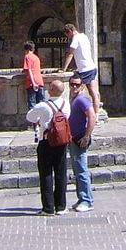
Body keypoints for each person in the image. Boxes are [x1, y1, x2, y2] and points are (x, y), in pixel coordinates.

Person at [26, 79, 71, 215]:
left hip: (46, 142)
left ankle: (48, 207)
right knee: (61, 173)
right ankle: (61, 206)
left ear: (51, 90)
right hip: (61, 142)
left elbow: (30, 117)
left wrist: (42, 119)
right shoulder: (66, 104)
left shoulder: (43, 105)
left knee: (46, 174)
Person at [67, 74, 96, 212]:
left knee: (82, 170)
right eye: (72, 84)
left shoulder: (82, 100)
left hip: (80, 138)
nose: (74, 87)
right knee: (78, 170)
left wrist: (86, 136)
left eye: (77, 85)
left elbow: (92, 116)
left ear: (82, 86)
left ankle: (87, 201)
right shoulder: (74, 99)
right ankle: (82, 198)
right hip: (74, 138)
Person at [62, 22, 102, 115]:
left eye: (67, 35)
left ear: (71, 31)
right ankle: (96, 114)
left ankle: (83, 112)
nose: (68, 37)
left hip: (85, 69)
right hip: (91, 67)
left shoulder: (75, 38)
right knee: (94, 92)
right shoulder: (84, 36)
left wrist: (64, 68)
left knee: (77, 91)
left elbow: (70, 54)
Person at [23, 41, 45, 111]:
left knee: (32, 105)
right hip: (40, 81)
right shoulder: (36, 57)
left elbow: (29, 70)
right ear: (33, 49)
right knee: (41, 103)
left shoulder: (27, 57)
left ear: (25, 50)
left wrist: (33, 83)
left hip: (31, 83)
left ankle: (34, 121)